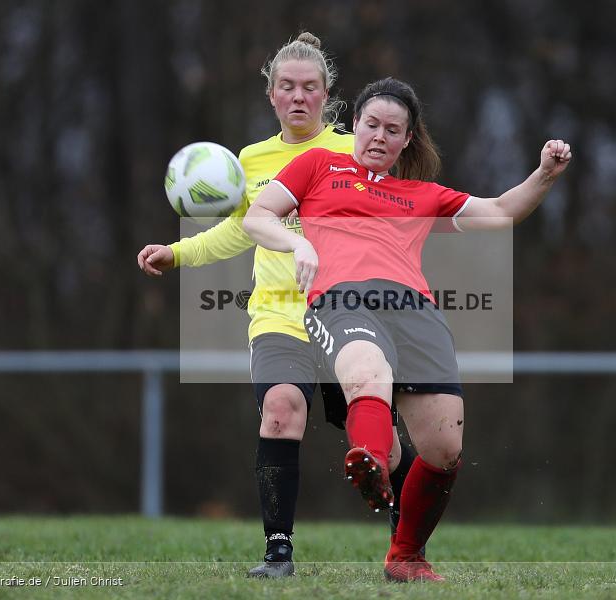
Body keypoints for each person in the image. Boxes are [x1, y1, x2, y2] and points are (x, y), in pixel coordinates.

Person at [243, 77, 571, 582]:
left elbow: (502, 212)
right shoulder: (318, 166)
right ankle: (370, 462)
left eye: (392, 130)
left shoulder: (422, 194)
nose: (378, 136)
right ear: (354, 125)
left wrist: (545, 174)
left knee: (444, 447)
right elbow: (258, 217)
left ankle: (406, 556)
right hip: (341, 298)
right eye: (371, 124)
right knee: (365, 372)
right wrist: (298, 245)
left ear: (406, 140)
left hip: (416, 310)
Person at [136, 35, 420, 578]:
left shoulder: (351, 154)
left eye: (309, 88)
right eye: (286, 87)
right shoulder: (250, 161)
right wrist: (177, 253)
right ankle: (278, 554)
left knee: (381, 449)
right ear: (271, 95)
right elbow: (236, 232)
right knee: (281, 409)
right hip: (277, 317)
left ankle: (406, 547)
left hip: (344, 314)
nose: (298, 96)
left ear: (327, 95)